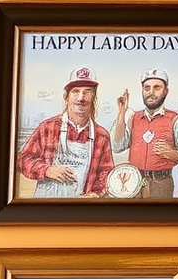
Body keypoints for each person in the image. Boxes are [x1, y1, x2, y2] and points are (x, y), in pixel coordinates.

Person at [16, 65, 115, 198]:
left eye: (87, 92)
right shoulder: (48, 127)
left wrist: (95, 194)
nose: (81, 98)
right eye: (75, 91)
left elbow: (106, 173)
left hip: (82, 209)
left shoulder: (101, 135)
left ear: (94, 98)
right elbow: (23, 160)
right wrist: (47, 170)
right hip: (46, 207)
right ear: (66, 97)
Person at [110, 69, 178, 200]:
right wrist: (121, 113)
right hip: (133, 181)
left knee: (158, 219)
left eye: (157, 88)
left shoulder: (176, 119)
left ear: (165, 91)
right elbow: (117, 146)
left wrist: (174, 154)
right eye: (147, 88)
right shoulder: (134, 118)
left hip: (161, 182)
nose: (151, 92)